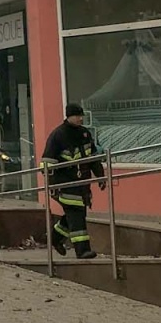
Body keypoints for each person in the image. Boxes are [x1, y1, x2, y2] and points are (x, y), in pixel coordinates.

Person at [42, 103, 105, 259]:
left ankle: (55, 238)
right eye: (77, 116)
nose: (80, 118)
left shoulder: (85, 133)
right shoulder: (58, 135)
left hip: (82, 184)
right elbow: (47, 162)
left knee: (74, 214)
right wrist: (52, 183)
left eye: (81, 115)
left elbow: (93, 158)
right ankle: (82, 250)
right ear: (68, 116)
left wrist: (101, 176)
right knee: (77, 215)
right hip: (64, 184)